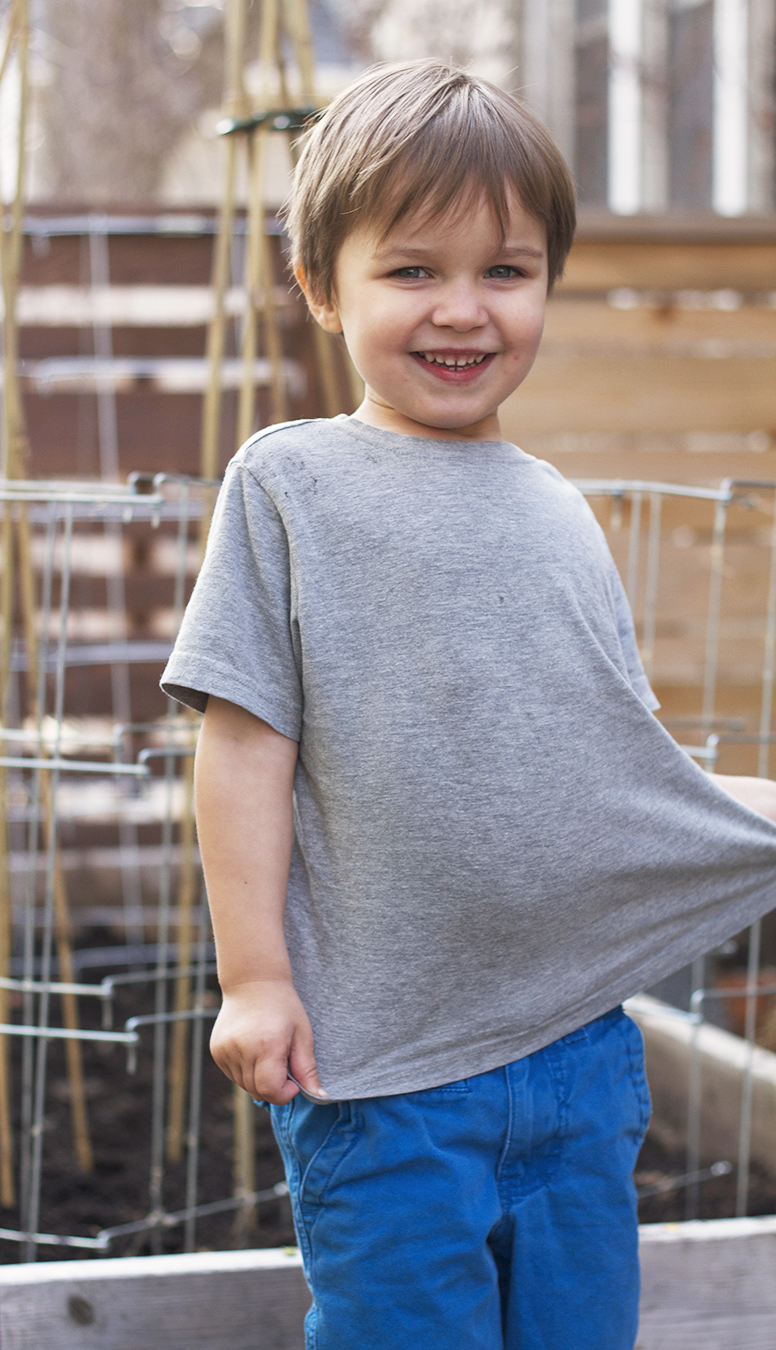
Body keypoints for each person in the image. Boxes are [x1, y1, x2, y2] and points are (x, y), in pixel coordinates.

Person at [161, 60, 776, 1350]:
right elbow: (241, 746)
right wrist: (256, 978)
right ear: (324, 289)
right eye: (413, 270)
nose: (463, 309)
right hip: (378, 1073)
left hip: (576, 1050)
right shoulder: (293, 489)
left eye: (507, 270)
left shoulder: (559, 509)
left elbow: (615, 769)